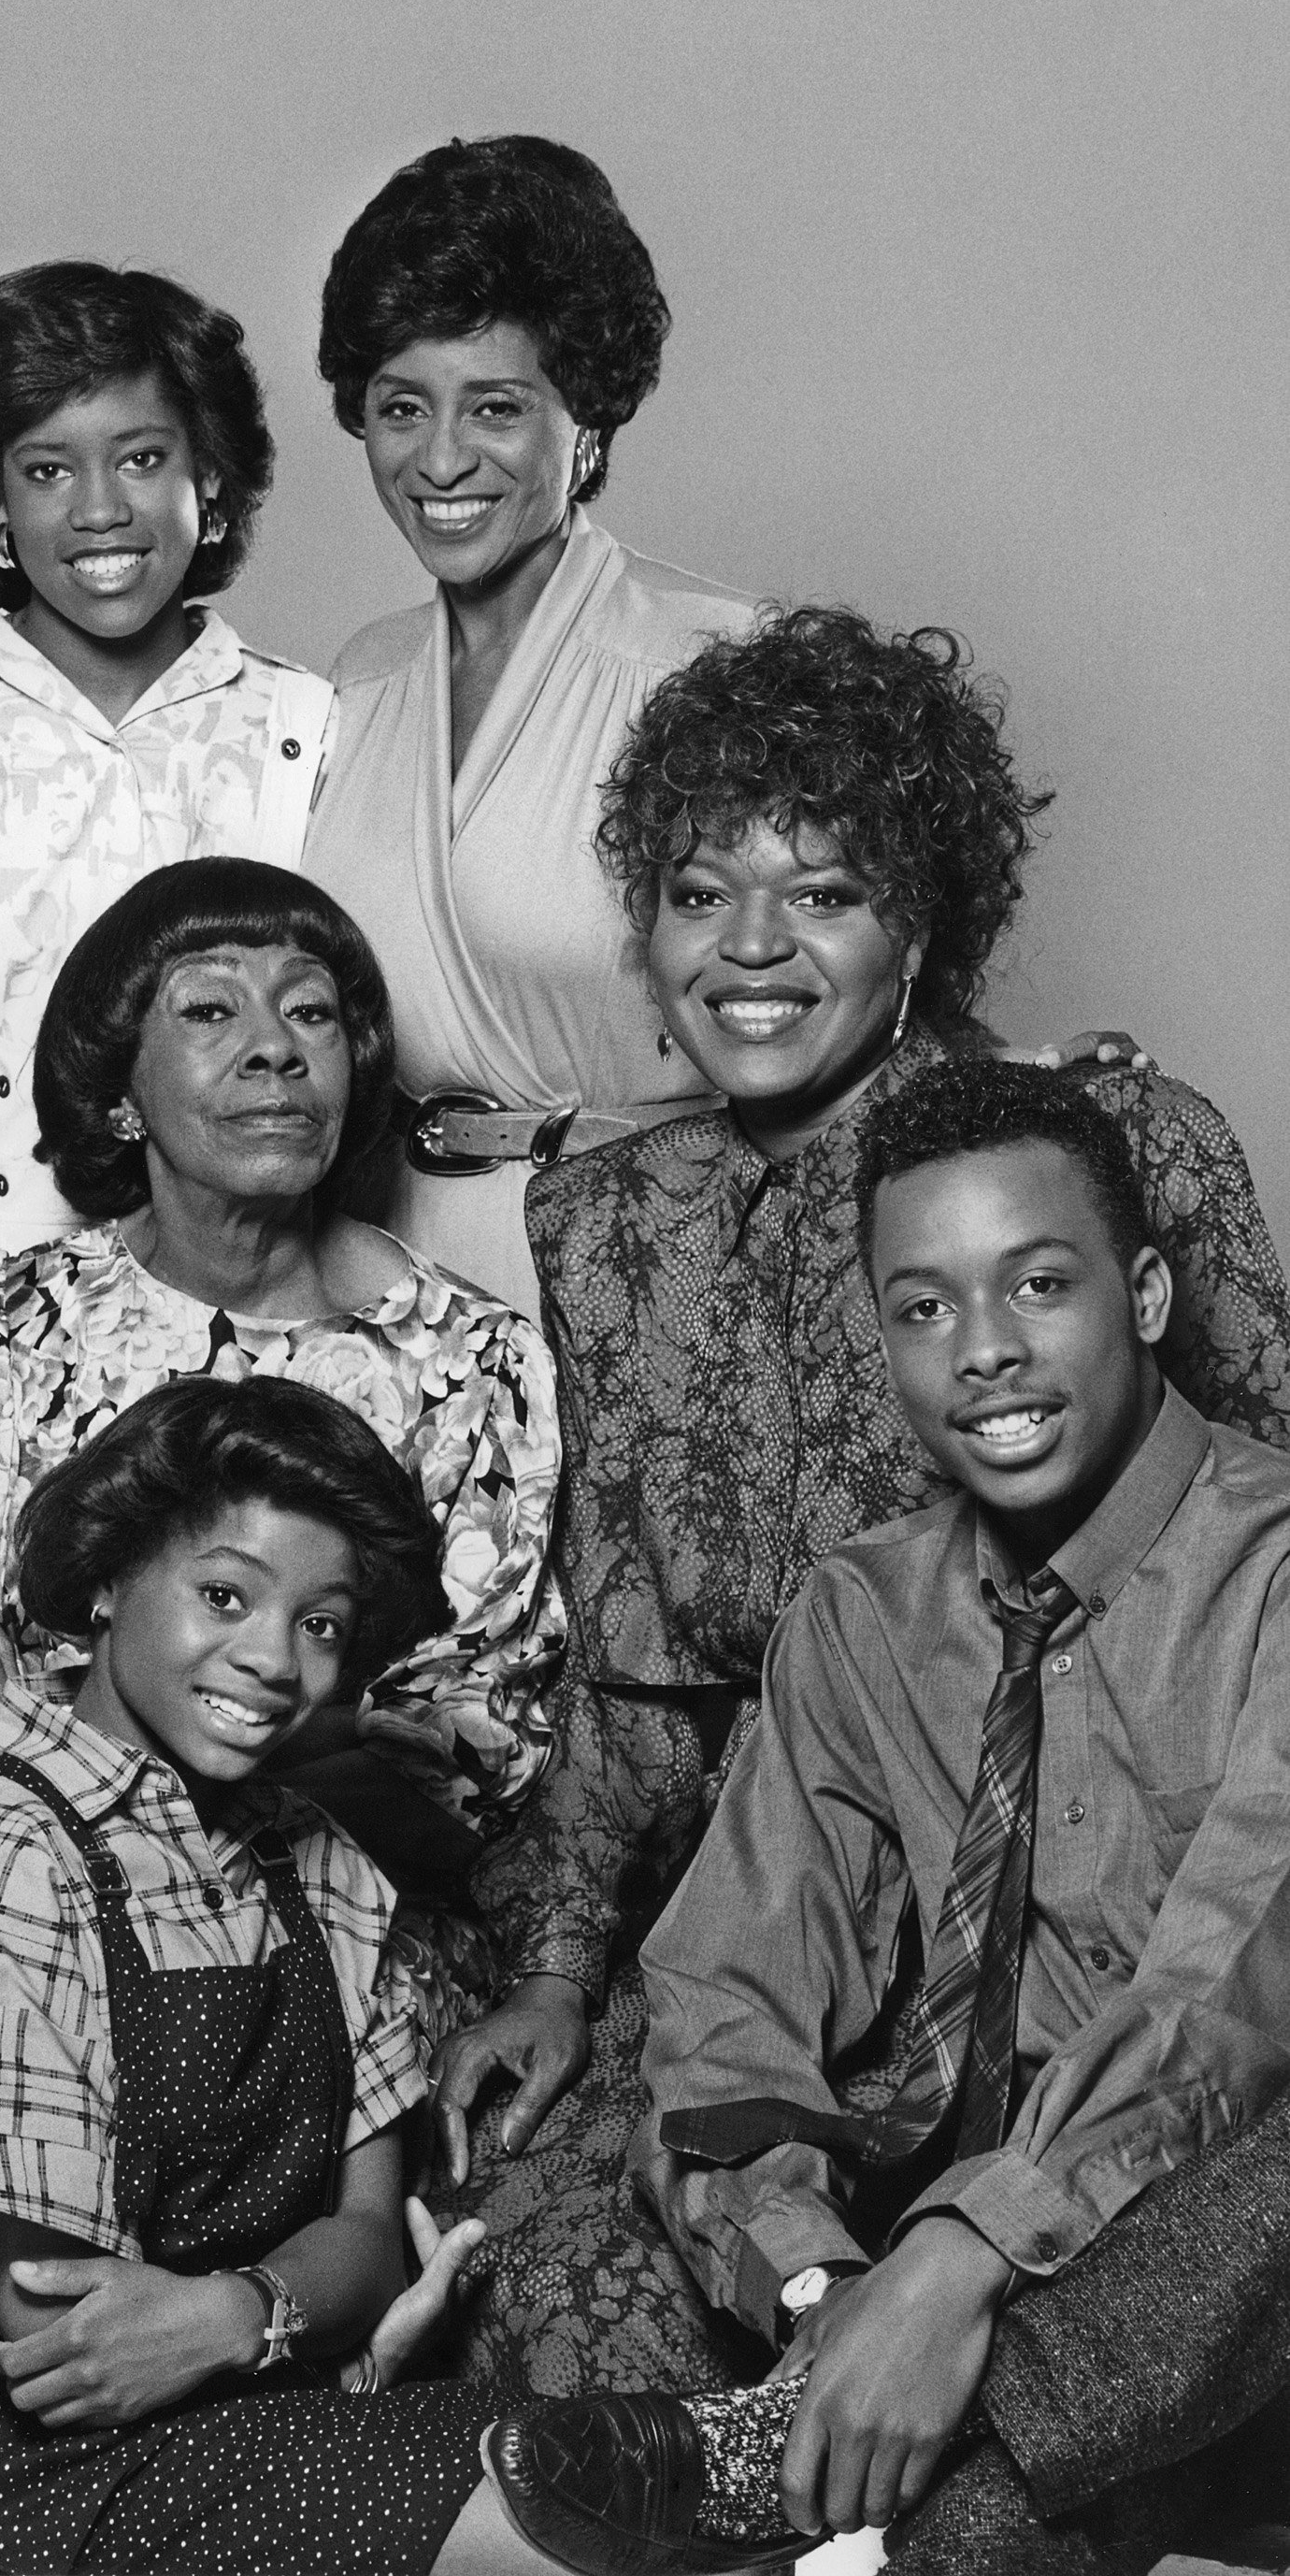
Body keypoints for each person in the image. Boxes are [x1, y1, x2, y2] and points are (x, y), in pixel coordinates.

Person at [427, 607, 1290, 2403]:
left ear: (921, 918)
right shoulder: (599, 1219)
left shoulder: (1098, 1142)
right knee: (574, 2296)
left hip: (1128, 1881)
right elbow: (631, 1668)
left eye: (821, 892)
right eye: (697, 892)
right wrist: (572, 1973)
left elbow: (1245, 1554)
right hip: (764, 1902)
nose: (751, 948)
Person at [490, 1061, 1290, 2573]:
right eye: (924, 1307)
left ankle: (862, 2458)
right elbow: (730, 1987)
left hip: (1210, 2256)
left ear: (1151, 1291)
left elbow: (1221, 2010)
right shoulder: (867, 1607)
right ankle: (891, 2461)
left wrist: (958, 2261)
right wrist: (826, 2287)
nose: (981, 1351)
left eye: (1037, 1285)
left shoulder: (1277, 1574)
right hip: (984, 2278)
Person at [0, 1376, 599, 2576]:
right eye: (225, 1595)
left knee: (611, 2477)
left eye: (321, 1624)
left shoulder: (322, 1869)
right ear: (110, 1578)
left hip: (233, 2425)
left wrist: (241, 2314)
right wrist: (296, 2322)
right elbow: (62, 2339)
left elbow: (368, 2237)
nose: (273, 1658)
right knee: (560, 2515)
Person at [0, 856, 563, 2044]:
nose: (275, 1046)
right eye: (211, 1007)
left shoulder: (475, 1368)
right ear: (119, 1084)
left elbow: (463, 1798)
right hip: (20, 1931)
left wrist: (53, 1708)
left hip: (347, 1966)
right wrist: (309, 1728)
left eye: (312, 1010)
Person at [302, 135, 755, 1311]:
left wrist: (987, 1075)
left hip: (657, 1279)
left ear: (587, 419)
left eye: (494, 407)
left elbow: (837, 974)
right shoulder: (355, 682)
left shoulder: (708, 666)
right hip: (388, 1288)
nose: (440, 458)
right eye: (402, 408)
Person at [0, 261, 333, 1272]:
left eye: (142, 458)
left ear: (212, 479)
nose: (99, 508)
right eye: (48, 469)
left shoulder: (307, 727)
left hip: (229, 1313)